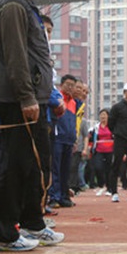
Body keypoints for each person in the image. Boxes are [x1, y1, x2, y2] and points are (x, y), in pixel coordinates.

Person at [0, 0, 65, 252]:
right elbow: (17, 57)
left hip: (30, 96)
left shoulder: (21, 1)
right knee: (14, 162)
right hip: (19, 98)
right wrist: (26, 97)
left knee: (32, 163)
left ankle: (32, 221)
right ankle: (2, 233)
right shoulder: (12, 5)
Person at [49, 75, 78, 208]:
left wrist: (74, 139)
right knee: (56, 168)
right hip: (57, 138)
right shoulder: (57, 98)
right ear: (61, 85)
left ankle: (64, 196)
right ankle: (54, 196)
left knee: (66, 169)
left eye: (73, 85)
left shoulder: (73, 102)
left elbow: (73, 122)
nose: (70, 87)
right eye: (68, 84)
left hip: (69, 139)